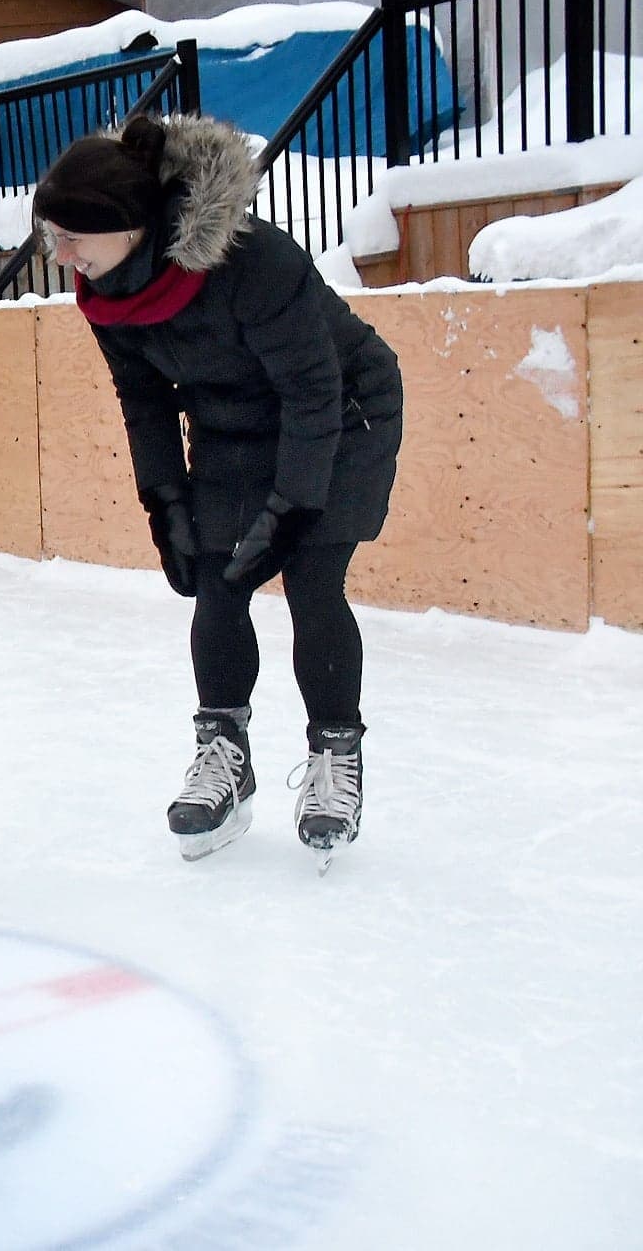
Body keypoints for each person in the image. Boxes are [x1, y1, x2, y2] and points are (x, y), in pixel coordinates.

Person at [32, 113, 403, 868]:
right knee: (217, 580)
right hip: (233, 423)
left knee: (311, 574)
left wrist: (294, 506)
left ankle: (336, 758)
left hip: (343, 408)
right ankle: (224, 753)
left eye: (72, 238)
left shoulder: (250, 260)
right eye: (52, 238)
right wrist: (164, 497)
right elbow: (143, 397)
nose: (60, 254)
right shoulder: (105, 291)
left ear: (132, 228)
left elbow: (312, 389)